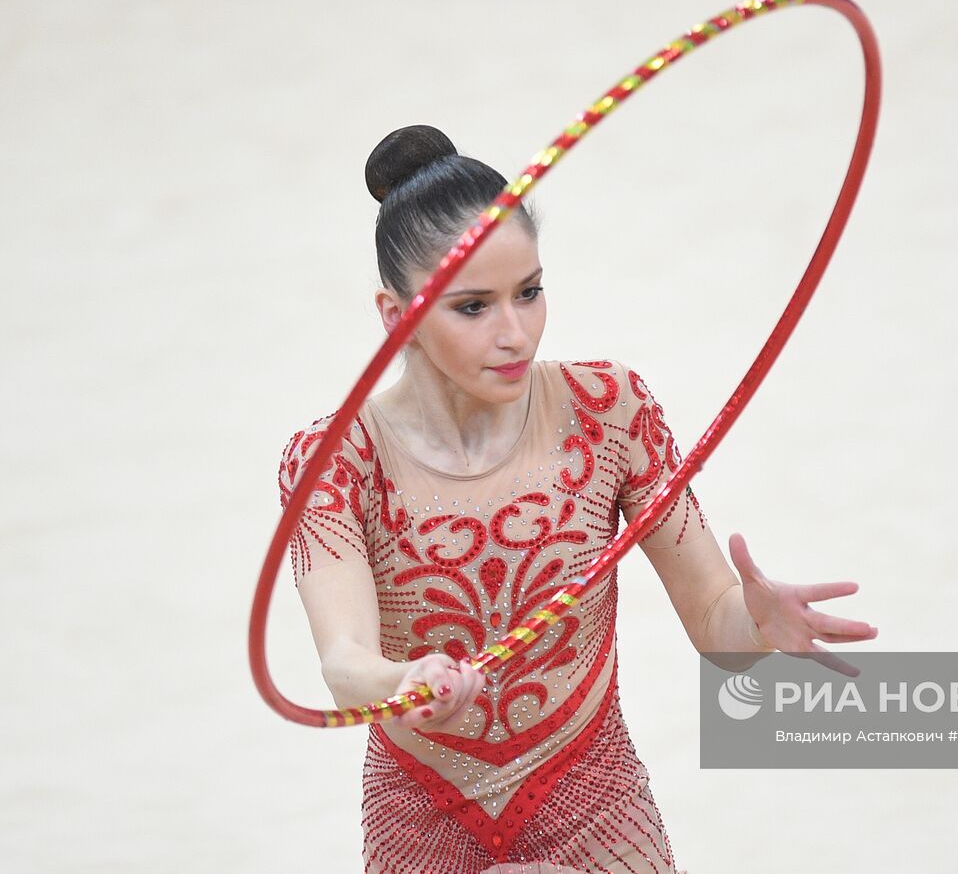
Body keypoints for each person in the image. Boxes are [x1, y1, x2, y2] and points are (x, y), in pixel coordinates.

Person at [277, 124, 878, 873]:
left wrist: (756, 624)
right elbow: (343, 662)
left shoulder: (609, 410)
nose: (515, 333)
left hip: (593, 803)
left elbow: (715, 623)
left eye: (529, 293)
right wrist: (404, 682)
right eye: (473, 307)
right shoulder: (335, 460)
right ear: (397, 315)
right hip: (422, 815)